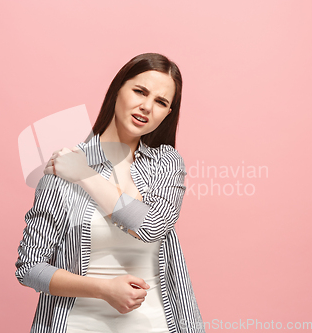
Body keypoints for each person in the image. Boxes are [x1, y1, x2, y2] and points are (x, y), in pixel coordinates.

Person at [15, 53, 205, 333]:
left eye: (161, 102)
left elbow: (152, 226)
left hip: (156, 326)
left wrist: (85, 175)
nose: (146, 107)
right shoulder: (62, 169)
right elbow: (30, 268)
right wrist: (104, 290)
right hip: (76, 325)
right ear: (118, 89)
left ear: (168, 113)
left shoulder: (166, 163)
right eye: (140, 91)